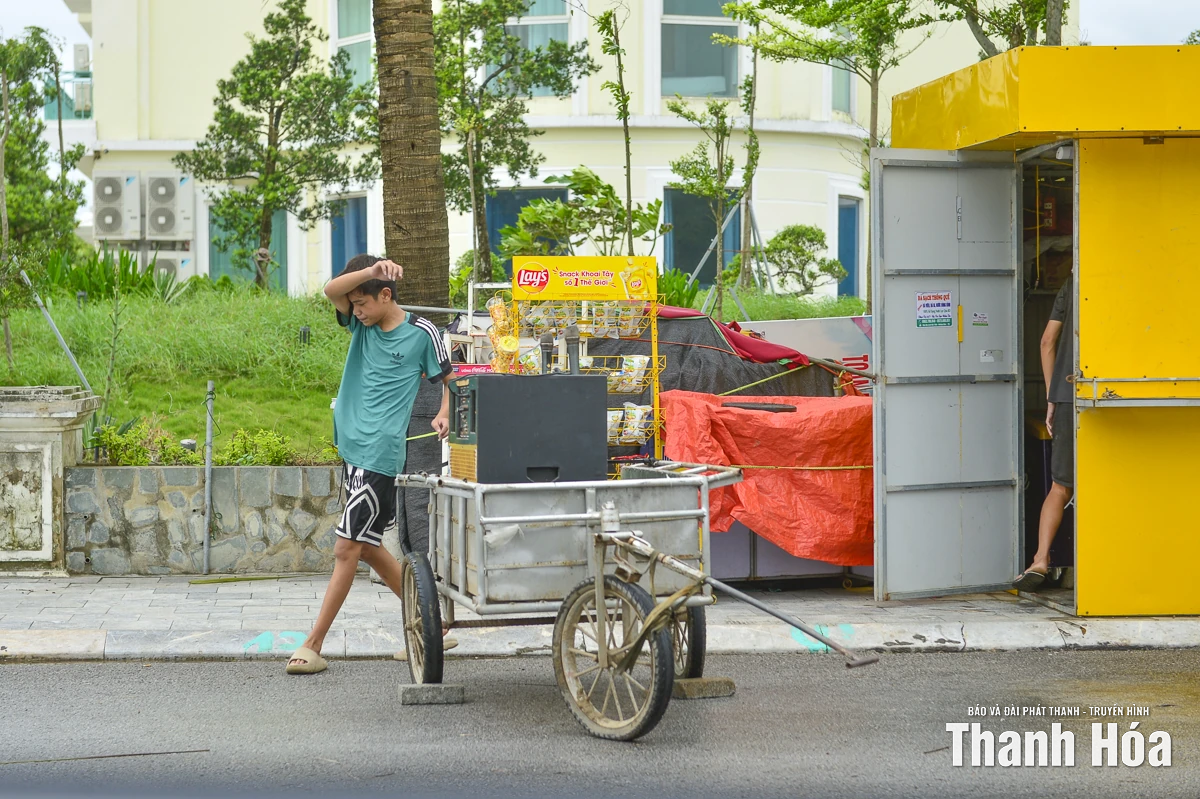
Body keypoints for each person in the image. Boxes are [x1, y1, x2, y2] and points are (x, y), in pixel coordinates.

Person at [287, 254, 454, 675]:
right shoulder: (359, 325)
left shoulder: (422, 333)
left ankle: (313, 643)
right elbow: (331, 290)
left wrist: (444, 412)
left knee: (347, 547)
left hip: (379, 453)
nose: (355, 311)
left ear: (385, 295)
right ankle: (433, 624)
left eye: (362, 303)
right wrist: (372, 269)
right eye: (353, 305)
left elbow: (450, 379)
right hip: (352, 448)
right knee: (368, 546)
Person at [1014, 272, 1074, 592]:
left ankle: (1040, 559)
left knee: (1060, 487)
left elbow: (1047, 341)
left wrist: (1052, 397)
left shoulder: (1072, 281)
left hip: (1068, 395)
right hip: (1113, 395)